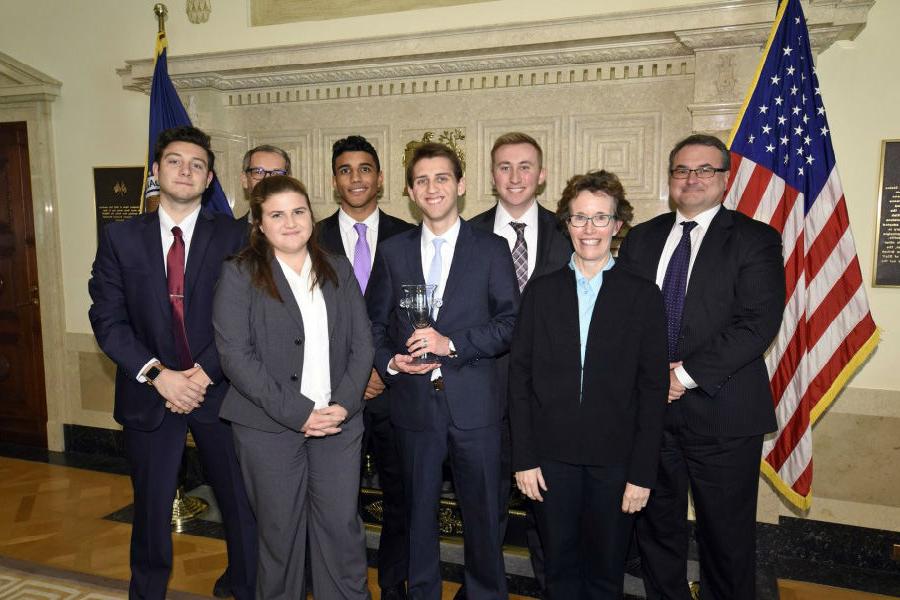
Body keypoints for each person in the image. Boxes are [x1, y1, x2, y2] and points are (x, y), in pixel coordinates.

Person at [88, 125, 257, 600]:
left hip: (220, 390)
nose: (186, 170)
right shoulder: (120, 237)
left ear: (208, 180)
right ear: (157, 171)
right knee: (150, 509)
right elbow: (107, 317)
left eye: (197, 165)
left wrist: (203, 373)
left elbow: (247, 317)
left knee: (241, 508)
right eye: (176, 161)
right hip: (149, 392)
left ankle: (246, 589)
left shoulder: (237, 235)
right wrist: (159, 375)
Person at [617, 134, 785, 599]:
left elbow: (757, 325)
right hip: (652, 418)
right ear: (670, 178)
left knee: (726, 540)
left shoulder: (756, 239)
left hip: (724, 415)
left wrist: (679, 376)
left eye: (705, 170)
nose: (692, 179)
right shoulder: (643, 238)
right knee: (656, 531)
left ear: (725, 180)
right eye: (682, 171)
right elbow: (623, 319)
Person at [367, 142, 519, 600]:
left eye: (441, 178)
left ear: (461, 185)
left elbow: (511, 323)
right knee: (418, 519)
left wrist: (450, 343)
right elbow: (373, 325)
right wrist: (391, 362)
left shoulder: (491, 248)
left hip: (476, 410)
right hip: (414, 409)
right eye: (422, 180)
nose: (432, 188)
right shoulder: (393, 252)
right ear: (410, 191)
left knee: (483, 518)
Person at [508, 170, 668, 599]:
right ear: (567, 223)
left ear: (618, 225)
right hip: (549, 461)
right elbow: (519, 380)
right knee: (557, 570)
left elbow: (653, 393)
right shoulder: (540, 293)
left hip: (616, 464)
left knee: (604, 574)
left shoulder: (643, 295)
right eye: (580, 218)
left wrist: (642, 473)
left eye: (601, 218)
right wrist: (523, 458)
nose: (589, 229)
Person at [212, 175, 374, 599]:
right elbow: (236, 357)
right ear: (259, 223)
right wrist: (299, 413)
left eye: (298, 211)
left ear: (311, 217)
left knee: (341, 532)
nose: (290, 222)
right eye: (277, 214)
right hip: (268, 428)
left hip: (338, 427)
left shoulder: (337, 268)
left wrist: (343, 405)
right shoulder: (239, 274)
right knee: (280, 537)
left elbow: (362, 344)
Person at [463, 132, 571, 599]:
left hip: (551, 400)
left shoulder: (571, 233)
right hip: (485, 392)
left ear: (541, 175)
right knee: (486, 508)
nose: (515, 176)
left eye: (525, 166)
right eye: (505, 166)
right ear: (492, 176)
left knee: (547, 508)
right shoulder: (466, 235)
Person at [317, 135, 415, 600]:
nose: (355, 178)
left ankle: (394, 582)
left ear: (380, 178)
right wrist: (354, 378)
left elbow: (420, 312)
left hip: (394, 390)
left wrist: (379, 368)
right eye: (345, 169)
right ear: (334, 180)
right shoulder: (309, 237)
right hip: (331, 395)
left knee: (402, 496)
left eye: (364, 168)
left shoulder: (408, 235)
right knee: (337, 501)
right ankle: (343, 583)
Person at [237, 144, 291, 221]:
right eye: (258, 172)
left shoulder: (308, 231)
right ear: (245, 179)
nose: (267, 179)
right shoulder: (228, 232)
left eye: (277, 173)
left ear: (289, 181)